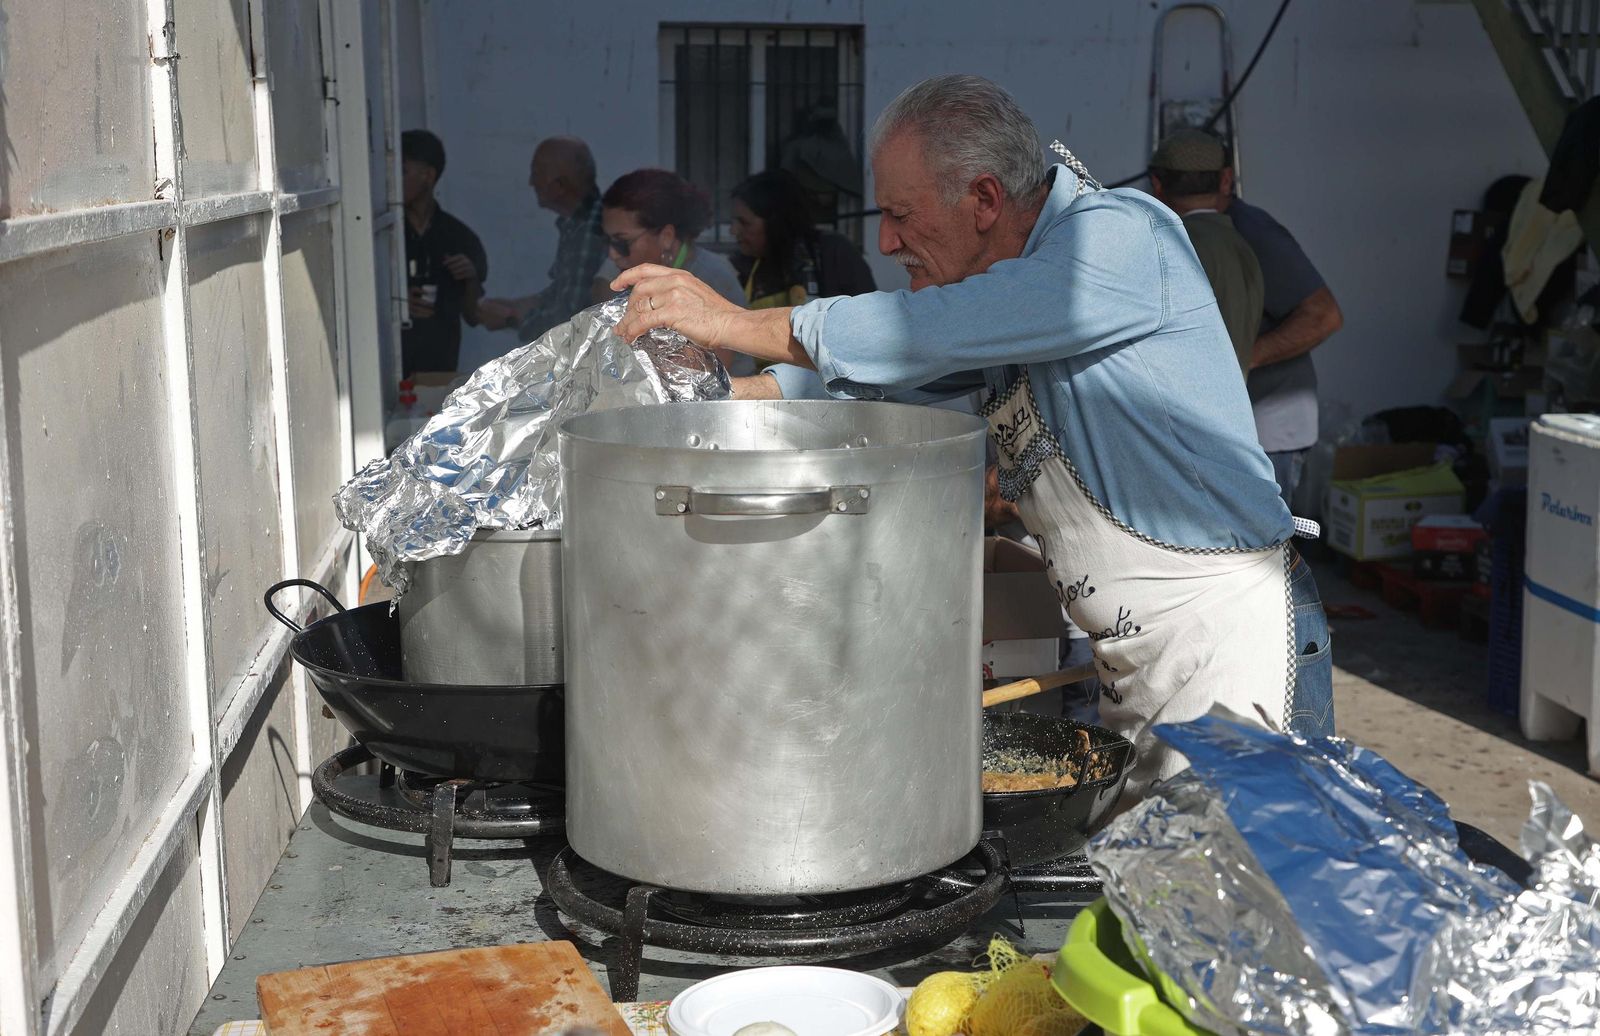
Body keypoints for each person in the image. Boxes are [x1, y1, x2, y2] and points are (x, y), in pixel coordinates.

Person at [609, 74, 1334, 802]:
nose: (887, 241)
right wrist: (721, 397)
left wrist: (734, 322)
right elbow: (873, 384)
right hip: (1137, 661)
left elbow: (920, 330)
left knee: (1233, 905)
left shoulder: (1117, 240)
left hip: (1228, 649)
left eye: (899, 214)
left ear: (985, 200)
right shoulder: (1013, 305)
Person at [1220, 154, 1344, 507]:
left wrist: (1240, 358)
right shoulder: (1199, 230)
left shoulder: (1252, 232)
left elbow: (1324, 316)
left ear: (1226, 180)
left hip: (1269, 435)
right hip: (1237, 434)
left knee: (1266, 557)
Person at [597, 168, 750, 372]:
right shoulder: (627, 262)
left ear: (666, 236)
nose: (613, 254)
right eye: (608, 240)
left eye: (621, 242)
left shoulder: (714, 278)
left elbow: (708, 373)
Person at [1147, 129, 1263, 377]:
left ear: (1157, 184)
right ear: (1223, 180)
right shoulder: (1242, 246)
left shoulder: (1172, 247)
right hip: (1234, 408)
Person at [479, 136, 609, 341]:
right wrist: (514, 306)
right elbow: (562, 291)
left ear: (559, 186)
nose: (531, 182)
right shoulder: (574, 225)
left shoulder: (590, 230)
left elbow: (572, 319)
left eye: (536, 173)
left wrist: (511, 319)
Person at [400, 129, 488, 375]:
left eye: (402, 170)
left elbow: (473, 316)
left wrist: (470, 279)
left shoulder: (459, 237)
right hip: (385, 370)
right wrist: (396, 303)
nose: (391, 178)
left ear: (428, 176)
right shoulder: (382, 237)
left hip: (440, 369)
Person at [730, 169, 877, 310]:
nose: (733, 231)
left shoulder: (833, 254)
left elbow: (868, 318)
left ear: (776, 222)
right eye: (734, 221)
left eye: (744, 223)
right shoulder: (740, 267)